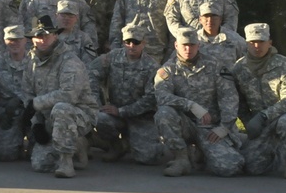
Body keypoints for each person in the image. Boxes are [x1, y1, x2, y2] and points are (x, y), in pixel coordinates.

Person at [154, 27, 244, 177]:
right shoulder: (168, 70)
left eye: (192, 45)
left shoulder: (215, 66)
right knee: (164, 113)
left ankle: (204, 153)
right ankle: (181, 159)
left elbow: (229, 98)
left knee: (230, 167)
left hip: (211, 128)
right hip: (185, 124)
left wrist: (225, 127)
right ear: (176, 45)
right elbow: (161, 95)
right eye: (184, 45)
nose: (188, 49)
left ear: (198, 45)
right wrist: (191, 105)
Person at [22, 15, 99, 178]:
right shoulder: (32, 62)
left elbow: (68, 95)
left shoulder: (69, 61)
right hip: (49, 118)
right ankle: (76, 145)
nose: (42, 40)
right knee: (40, 164)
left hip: (78, 115)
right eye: (38, 36)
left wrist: (36, 104)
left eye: (46, 36)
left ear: (55, 36)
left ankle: (67, 161)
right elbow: (27, 94)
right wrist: (37, 123)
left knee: (61, 108)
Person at [232, 23, 286, 179]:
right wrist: (249, 122)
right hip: (260, 122)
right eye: (252, 42)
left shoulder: (284, 65)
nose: (257, 46)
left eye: (261, 42)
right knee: (251, 166)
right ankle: (276, 151)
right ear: (246, 43)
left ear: (270, 43)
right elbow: (239, 102)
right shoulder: (239, 68)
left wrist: (263, 116)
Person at [87, 23, 161, 165]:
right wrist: (97, 102)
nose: (131, 46)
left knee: (148, 158)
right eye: (127, 42)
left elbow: (151, 99)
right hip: (114, 113)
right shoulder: (112, 57)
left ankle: (133, 141)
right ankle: (116, 146)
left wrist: (121, 111)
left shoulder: (152, 66)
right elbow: (92, 73)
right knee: (100, 118)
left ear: (143, 43)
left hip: (141, 117)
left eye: (136, 42)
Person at [0, 25, 31, 161]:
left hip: (31, 112)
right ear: (4, 41)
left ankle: (32, 145)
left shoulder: (35, 61)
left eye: (18, 39)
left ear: (25, 40)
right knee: (4, 154)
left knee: (39, 155)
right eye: (10, 40)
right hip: (7, 113)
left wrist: (24, 101)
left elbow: (44, 88)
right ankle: (10, 141)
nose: (14, 43)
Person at [56, 0, 98, 65]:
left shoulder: (84, 38)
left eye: (71, 16)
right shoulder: (48, 37)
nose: (67, 19)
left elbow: (90, 63)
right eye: (63, 15)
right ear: (56, 16)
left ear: (77, 18)